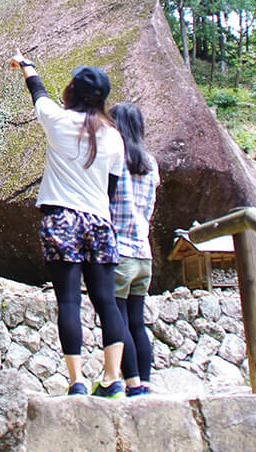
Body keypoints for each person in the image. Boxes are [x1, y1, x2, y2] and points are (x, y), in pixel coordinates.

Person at [10, 52, 127, 398]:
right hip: (100, 222)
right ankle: (111, 379)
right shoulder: (114, 137)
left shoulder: (57, 121)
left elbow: (37, 91)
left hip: (61, 218)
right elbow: (110, 189)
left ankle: (76, 380)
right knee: (107, 302)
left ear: (73, 92)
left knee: (70, 302)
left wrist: (25, 63)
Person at [107, 101, 160, 397]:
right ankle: (145, 383)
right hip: (144, 253)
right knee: (138, 322)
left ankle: (132, 383)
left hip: (119, 251)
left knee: (120, 320)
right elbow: (149, 208)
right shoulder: (151, 163)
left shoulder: (115, 158)